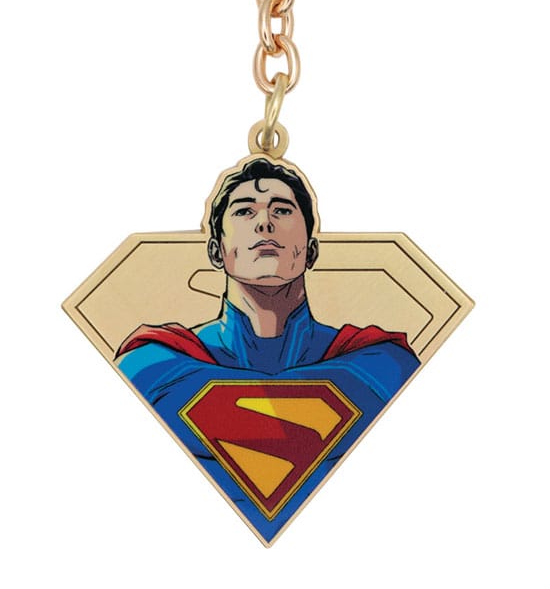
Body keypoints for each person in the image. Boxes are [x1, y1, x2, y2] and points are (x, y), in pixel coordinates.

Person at [116, 156, 419, 543]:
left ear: (311, 251)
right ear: (216, 251)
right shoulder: (151, 362)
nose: (265, 223)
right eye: (245, 211)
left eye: (282, 210)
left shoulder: (381, 361)